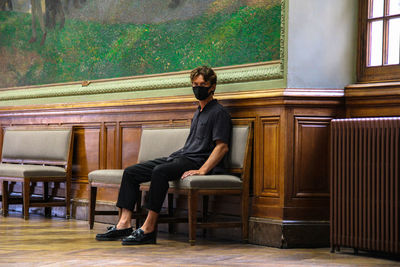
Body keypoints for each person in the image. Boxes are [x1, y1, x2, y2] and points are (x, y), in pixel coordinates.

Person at [95, 66, 232, 245]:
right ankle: (124, 224)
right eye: (195, 84)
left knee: (160, 172)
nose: (198, 88)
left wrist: (202, 170)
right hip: (180, 157)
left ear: (212, 86)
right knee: (131, 172)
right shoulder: (197, 112)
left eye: (203, 84)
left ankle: (148, 228)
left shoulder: (219, 112)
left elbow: (222, 147)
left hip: (195, 161)